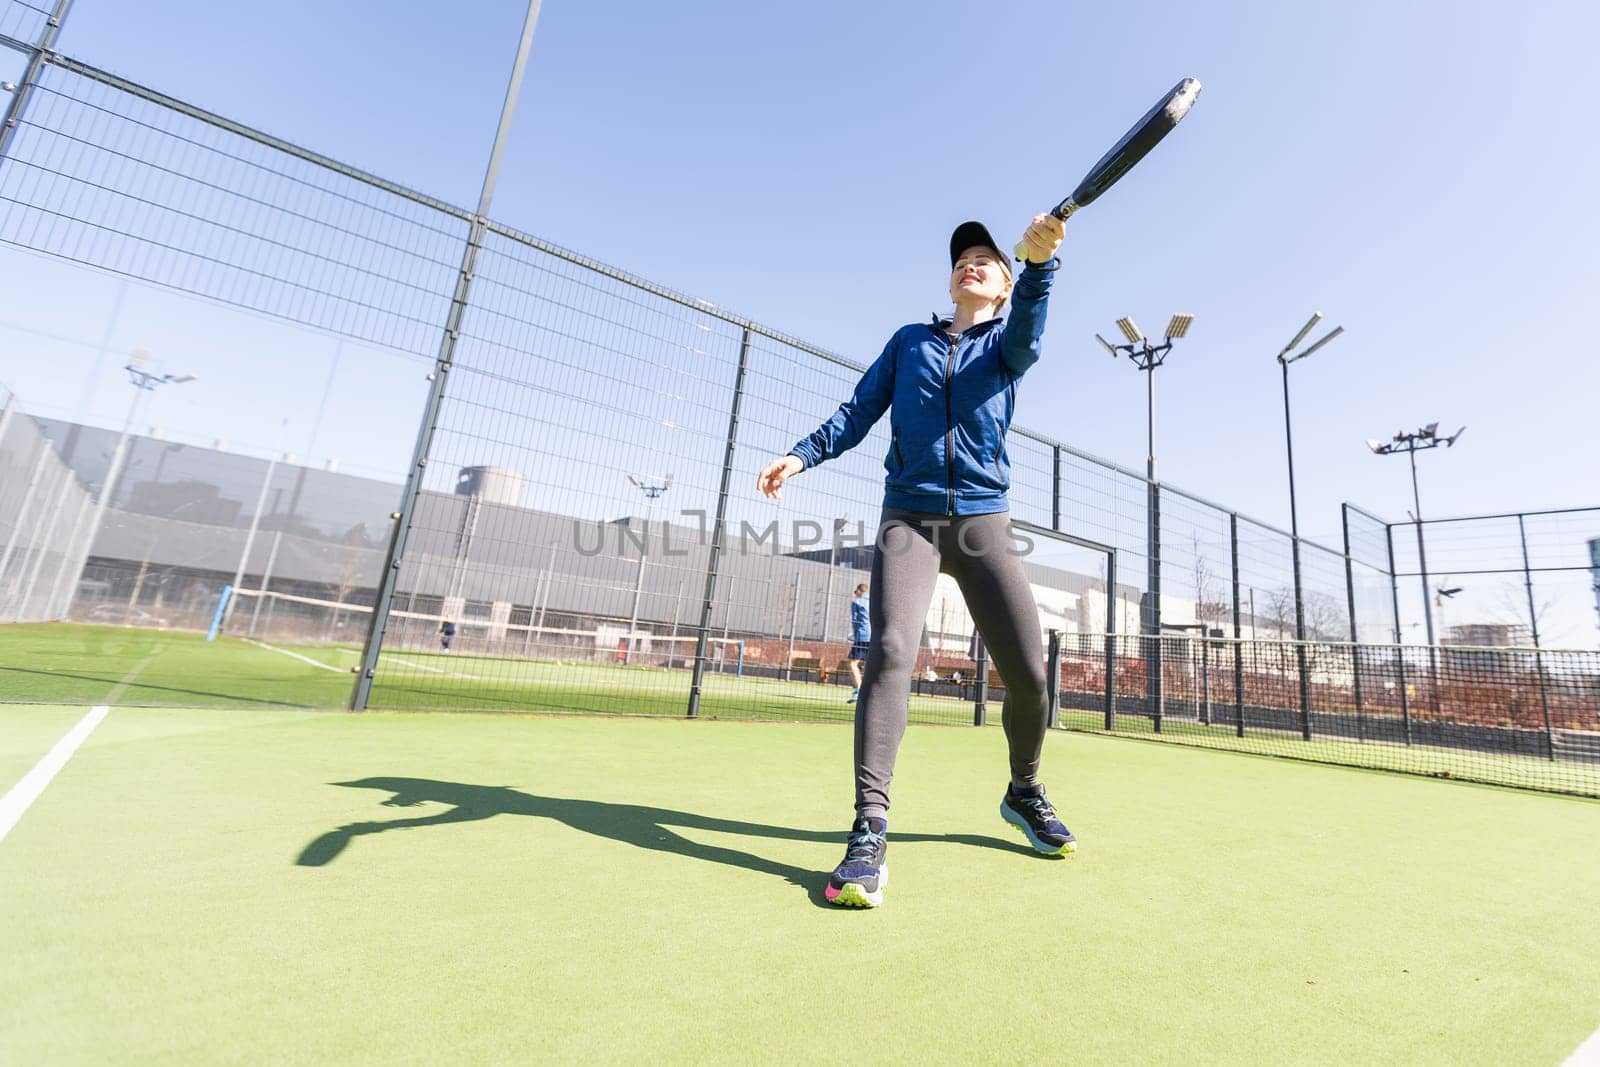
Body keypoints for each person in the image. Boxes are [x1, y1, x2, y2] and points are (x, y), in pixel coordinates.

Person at [757, 215, 1077, 908]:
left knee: (1028, 676)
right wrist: (802, 453)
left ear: (1003, 286)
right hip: (911, 517)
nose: (971, 263)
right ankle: (869, 829)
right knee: (892, 649)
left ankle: (1024, 789)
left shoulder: (1006, 344)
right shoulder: (908, 343)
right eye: (963, 257)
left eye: (987, 261)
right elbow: (858, 410)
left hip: (984, 523)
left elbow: (1029, 331)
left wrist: (1044, 269)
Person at [846, 583, 870, 702]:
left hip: (862, 636)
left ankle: (859, 690)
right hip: (874, 637)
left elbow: (855, 621)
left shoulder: (857, 602)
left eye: (856, 592)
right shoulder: (874, 601)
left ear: (860, 591)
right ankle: (869, 690)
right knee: (869, 664)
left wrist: (855, 636)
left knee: (852, 663)